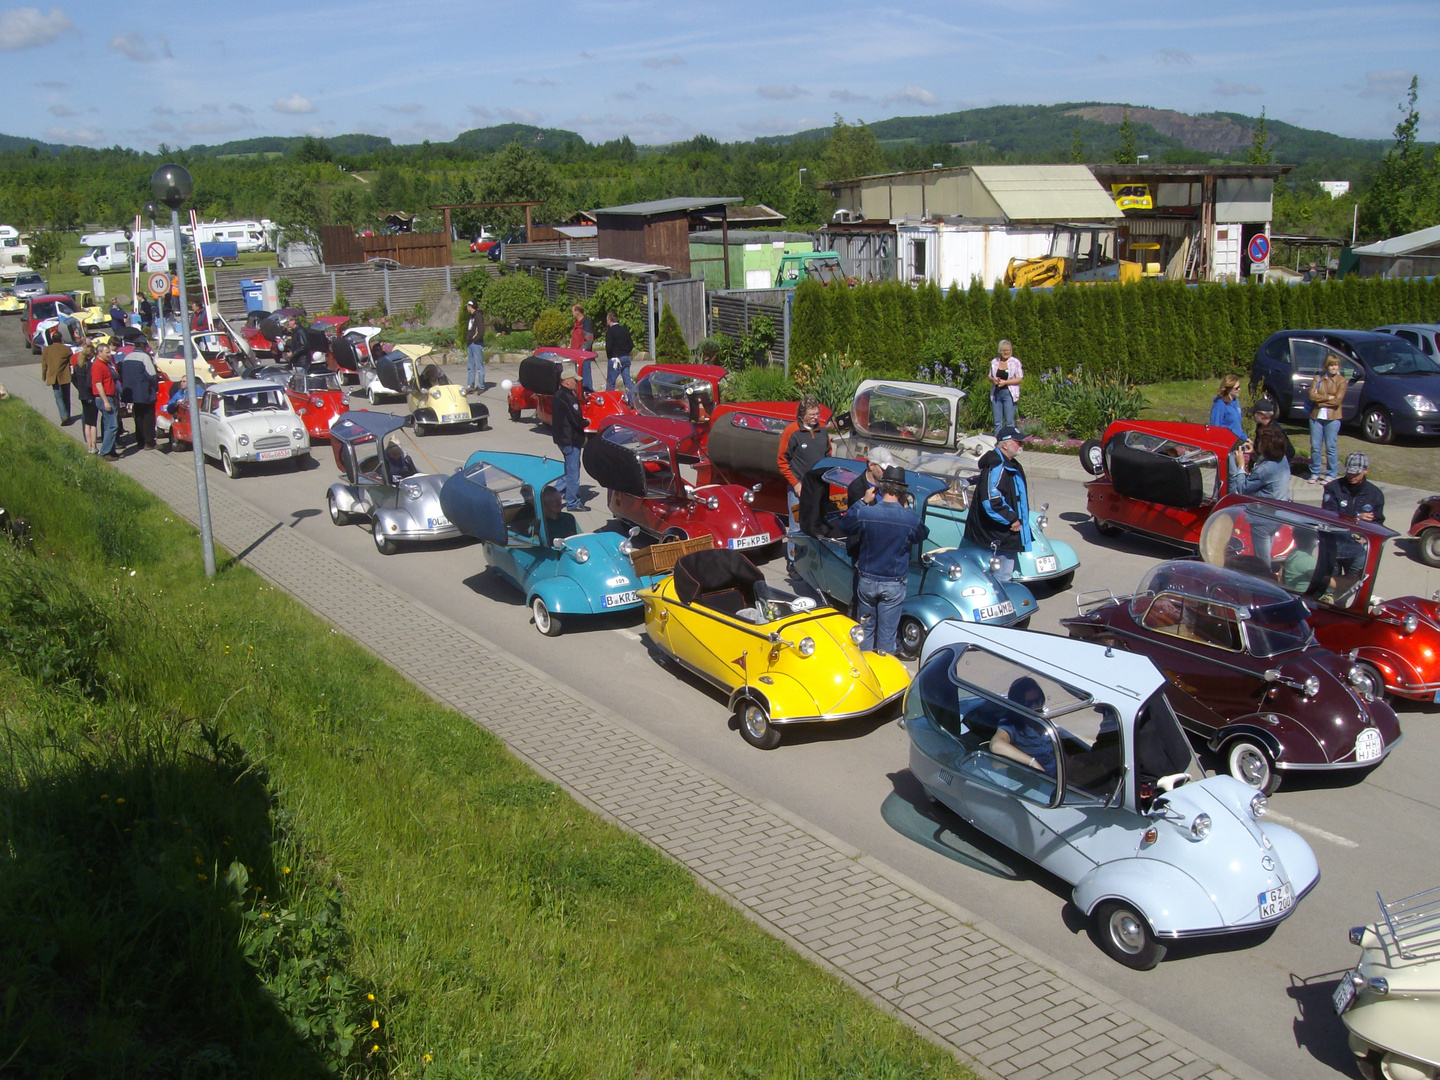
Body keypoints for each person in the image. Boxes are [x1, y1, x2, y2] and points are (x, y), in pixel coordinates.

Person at [839, 465, 927, 655]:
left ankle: (866, 670)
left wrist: (863, 501)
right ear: (902, 492)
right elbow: (922, 534)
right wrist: (907, 508)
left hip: (867, 580)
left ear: (880, 487)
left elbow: (844, 525)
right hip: (893, 583)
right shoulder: (909, 519)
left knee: (866, 629)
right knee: (887, 635)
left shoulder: (867, 513)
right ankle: (885, 674)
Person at [963, 425, 1031, 583]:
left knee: (998, 575)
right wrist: (1012, 518)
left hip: (1001, 534)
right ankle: (999, 604)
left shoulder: (1009, 463)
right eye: (1018, 442)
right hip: (998, 534)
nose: (1021, 446)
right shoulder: (997, 465)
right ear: (1005, 444)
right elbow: (992, 501)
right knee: (1001, 578)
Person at [777, 395, 831, 567]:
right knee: (796, 527)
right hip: (798, 488)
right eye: (812, 414)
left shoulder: (823, 431)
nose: (816, 417)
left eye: (817, 413)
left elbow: (828, 455)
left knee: (817, 523)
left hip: (819, 487)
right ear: (802, 415)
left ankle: (811, 562)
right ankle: (793, 562)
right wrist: (796, 483)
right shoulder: (792, 432)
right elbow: (782, 460)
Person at [1230, 425, 1291, 564]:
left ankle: (1264, 579)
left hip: (1263, 518)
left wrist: (1240, 466)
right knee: (1267, 552)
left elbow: (1243, 488)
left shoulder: (1264, 470)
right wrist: (1255, 455)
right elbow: (1266, 472)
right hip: (1278, 514)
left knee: (1262, 559)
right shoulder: (1282, 460)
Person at [989, 677, 1056, 775]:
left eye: (1038, 700)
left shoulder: (1045, 720)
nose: (1035, 707)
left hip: (1058, 776)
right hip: (1037, 782)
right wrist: (1032, 763)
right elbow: (996, 744)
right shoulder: (1012, 725)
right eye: (1028, 703)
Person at [1307, 353, 1347, 484]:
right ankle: (1315, 472)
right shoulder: (1318, 378)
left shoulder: (1341, 380)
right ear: (1326, 366)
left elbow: (1337, 401)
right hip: (1316, 416)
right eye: (1331, 365)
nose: (1334, 368)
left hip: (1333, 417)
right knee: (1315, 446)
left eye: (1336, 365)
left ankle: (1331, 474)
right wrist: (1327, 397)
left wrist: (1320, 400)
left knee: (1330, 447)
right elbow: (1312, 396)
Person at [551, 365, 587, 511]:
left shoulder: (557, 395)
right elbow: (575, 418)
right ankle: (572, 503)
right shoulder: (569, 397)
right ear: (567, 381)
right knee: (573, 473)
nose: (576, 383)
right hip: (570, 439)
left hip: (562, 439)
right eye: (574, 381)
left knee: (569, 470)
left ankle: (553, 494)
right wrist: (586, 422)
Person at [117, 345, 159, 451]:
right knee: (148, 418)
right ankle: (149, 442)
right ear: (144, 346)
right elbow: (152, 375)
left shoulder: (127, 357)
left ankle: (140, 441)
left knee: (138, 417)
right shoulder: (145, 357)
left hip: (132, 394)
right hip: (145, 393)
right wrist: (155, 388)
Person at [1247, 399, 1298, 472]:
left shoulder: (1275, 431)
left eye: (1254, 413)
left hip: (1271, 470)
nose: (1252, 416)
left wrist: (1276, 466)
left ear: (1261, 415)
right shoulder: (1260, 426)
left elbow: (1290, 451)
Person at [988, 340, 1023, 436]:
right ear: (1000, 350)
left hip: (1009, 393)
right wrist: (994, 380)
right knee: (997, 422)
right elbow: (990, 376)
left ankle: (1009, 442)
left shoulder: (1015, 362)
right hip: (996, 394)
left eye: (1008, 350)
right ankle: (998, 442)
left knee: (1009, 421)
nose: (1006, 352)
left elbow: (1019, 378)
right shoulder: (994, 362)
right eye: (1003, 350)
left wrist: (1006, 382)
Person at [92, 343, 119, 460]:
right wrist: (105, 401)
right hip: (104, 398)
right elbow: (98, 384)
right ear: (99, 353)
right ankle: (104, 452)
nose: (109, 355)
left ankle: (111, 451)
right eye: (106, 352)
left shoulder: (106, 364)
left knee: (108, 425)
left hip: (111, 397)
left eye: (109, 352)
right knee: (113, 426)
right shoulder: (98, 366)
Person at [40, 328, 72, 424]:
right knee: (66, 396)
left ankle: (64, 416)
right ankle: (67, 415)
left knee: (58, 396)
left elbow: (44, 364)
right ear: (61, 339)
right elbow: (71, 363)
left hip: (53, 376)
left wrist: (43, 375)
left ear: (52, 339)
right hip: (65, 375)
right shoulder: (67, 349)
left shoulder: (46, 350)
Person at [72, 344, 98, 453]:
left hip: (82, 396)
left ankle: (89, 446)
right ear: (91, 354)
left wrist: (80, 388)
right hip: (90, 396)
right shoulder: (90, 366)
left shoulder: (78, 365)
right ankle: (94, 446)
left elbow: (73, 379)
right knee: (93, 423)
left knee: (87, 422)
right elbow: (89, 383)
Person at [603, 311, 635, 395]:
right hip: (625, 357)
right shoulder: (624, 329)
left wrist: (610, 356)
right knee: (628, 381)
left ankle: (609, 400)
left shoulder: (610, 332)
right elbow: (631, 344)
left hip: (615, 359)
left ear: (609, 320)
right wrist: (625, 352)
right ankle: (632, 400)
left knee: (610, 382)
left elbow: (609, 347)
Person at [1209, 374, 1246, 442]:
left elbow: (1237, 426)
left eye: (1239, 387)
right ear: (1228, 389)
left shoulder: (1235, 402)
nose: (1239, 389)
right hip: (1225, 443)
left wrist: (1246, 439)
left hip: (1235, 442)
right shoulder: (1219, 405)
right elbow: (1215, 428)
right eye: (1236, 388)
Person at [463, 299, 485, 393]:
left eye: (468, 306)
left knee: (479, 366)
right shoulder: (471, 317)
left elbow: (481, 331)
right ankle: (471, 385)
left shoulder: (478, 316)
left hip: (476, 344)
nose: (467, 308)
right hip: (470, 344)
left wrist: (475, 340)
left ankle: (481, 386)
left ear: (470, 306)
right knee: (470, 366)